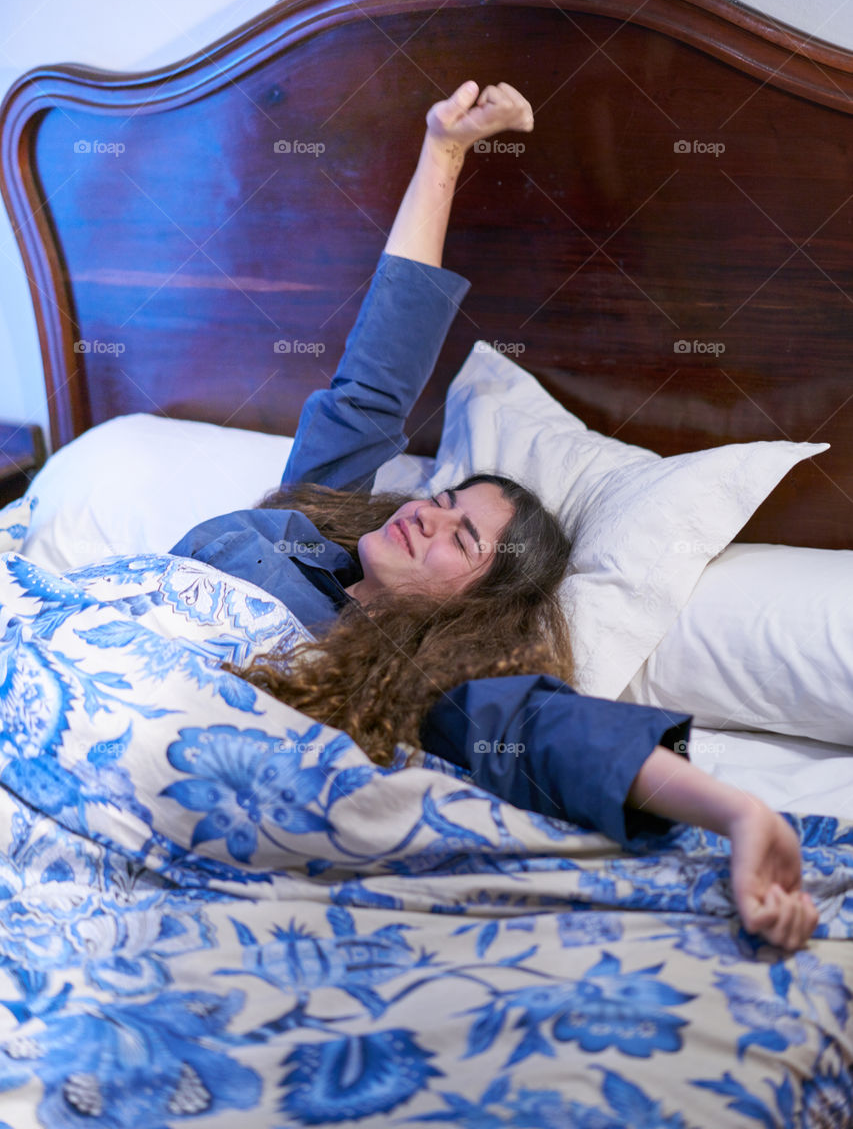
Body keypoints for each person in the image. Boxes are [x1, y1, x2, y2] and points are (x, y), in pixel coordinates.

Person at [171, 81, 819, 952]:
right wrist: (442, 150)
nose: (427, 519)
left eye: (463, 538)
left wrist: (741, 814)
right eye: (441, 502)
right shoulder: (312, 521)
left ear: (473, 608)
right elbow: (373, 382)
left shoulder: (419, 675)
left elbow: (547, 733)